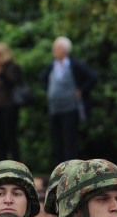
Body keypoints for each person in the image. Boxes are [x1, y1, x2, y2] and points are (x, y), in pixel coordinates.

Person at [40, 37, 96, 166]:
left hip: (70, 108)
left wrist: (81, 90)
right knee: (56, 142)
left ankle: (70, 169)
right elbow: (42, 79)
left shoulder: (74, 65)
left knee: (69, 141)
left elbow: (92, 78)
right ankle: (58, 171)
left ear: (65, 50)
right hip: (54, 109)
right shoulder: (52, 65)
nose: (54, 50)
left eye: (57, 48)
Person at [0, 42, 25, 161]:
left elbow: (13, 83)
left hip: (10, 106)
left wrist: (0, 72)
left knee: (11, 137)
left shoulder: (12, 67)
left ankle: (16, 164)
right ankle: (1, 165)